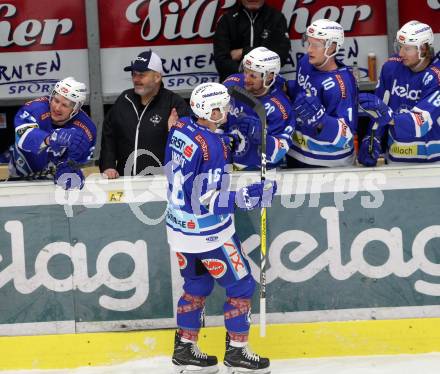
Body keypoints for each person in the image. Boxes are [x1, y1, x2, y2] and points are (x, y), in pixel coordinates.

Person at [165, 82, 275, 374]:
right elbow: (203, 199)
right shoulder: (211, 146)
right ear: (208, 111)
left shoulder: (180, 129)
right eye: (221, 108)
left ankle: (185, 349)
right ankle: (237, 352)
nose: (226, 111)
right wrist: (245, 197)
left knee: (197, 285)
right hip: (209, 234)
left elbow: (192, 147)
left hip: (179, 231)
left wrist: (230, 129)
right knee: (241, 285)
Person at [358, 20, 440, 166]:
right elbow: (378, 108)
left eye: (407, 49)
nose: (401, 53)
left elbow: (421, 123)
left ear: (424, 49)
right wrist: (373, 137)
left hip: (433, 164)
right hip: (395, 159)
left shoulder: (436, 77)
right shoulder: (391, 68)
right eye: (400, 47)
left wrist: (389, 116)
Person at [99, 50, 189, 178]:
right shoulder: (124, 99)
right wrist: (108, 165)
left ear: (157, 77)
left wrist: (173, 132)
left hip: (161, 182)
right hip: (125, 180)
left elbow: (187, 147)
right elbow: (109, 136)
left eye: (141, 75)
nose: (136, 79)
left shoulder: (174, 103)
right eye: (134, 74)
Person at [284, 19, 358, 168]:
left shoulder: (342, 84)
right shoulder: (306, 62)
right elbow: (302, 90)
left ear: (332, 48)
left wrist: (321, 121)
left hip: (327, 164)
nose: (309, 50)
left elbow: (346, 136)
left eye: (315, 45)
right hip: (295, 152)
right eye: (309, 43)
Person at [8, 77, 96, 190]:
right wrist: (51, 138)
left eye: (64, 105)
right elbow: (23, 138)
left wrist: (70, 166)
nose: (57, 108)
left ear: (76, 108)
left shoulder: (86, 128)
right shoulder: (34, 109)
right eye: (56, 100)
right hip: (19, 178)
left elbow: (82, 157)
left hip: (54, 185)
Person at [222, 46, 294, 171]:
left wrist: (262, 136)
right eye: (245, 71)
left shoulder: (281, 107)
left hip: (259, 173)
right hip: (226, 166)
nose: (246, 79)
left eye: (253, 76)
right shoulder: (232, 84)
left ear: (269, 77)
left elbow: (280, 152)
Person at [213, 0, 290, 82]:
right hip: (234, 84)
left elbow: (281, 57)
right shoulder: (226, 19)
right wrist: (248, 75)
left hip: (266, 84)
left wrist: (243, 52)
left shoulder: (276, 18)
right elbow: (221, 61)